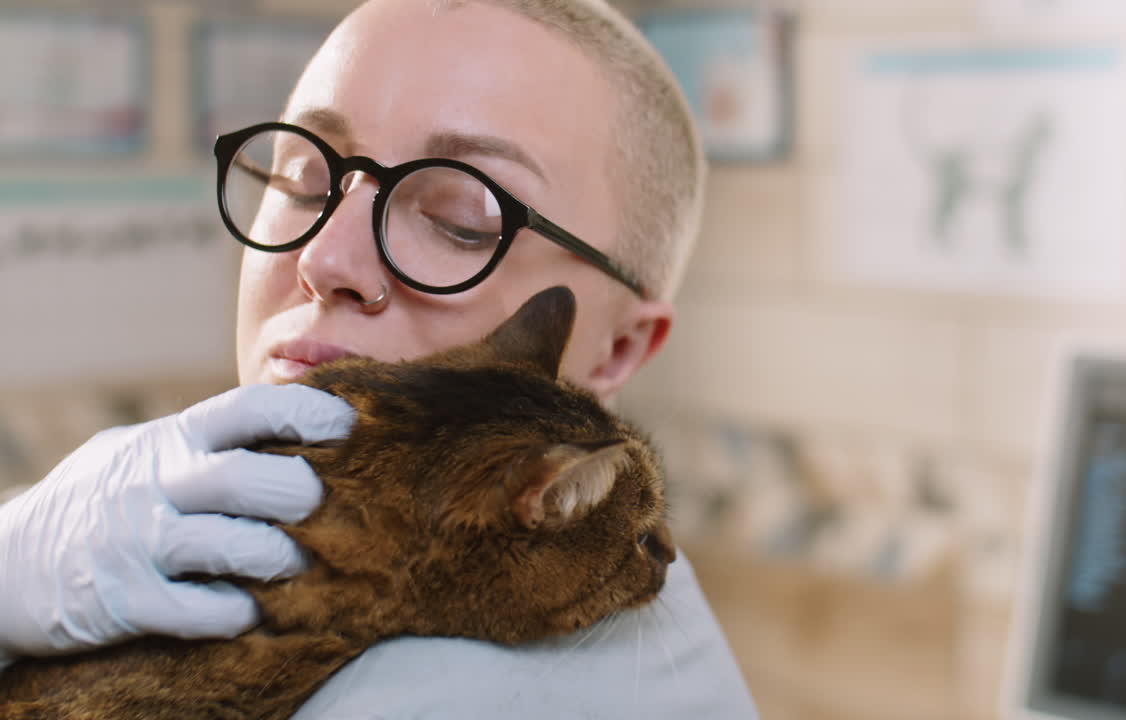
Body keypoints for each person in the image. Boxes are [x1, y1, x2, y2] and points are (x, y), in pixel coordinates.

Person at [0, 0, 759, 716]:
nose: (325, 257)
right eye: (304, 176)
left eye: (461, 219)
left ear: (623, 346)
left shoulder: (453, 692)